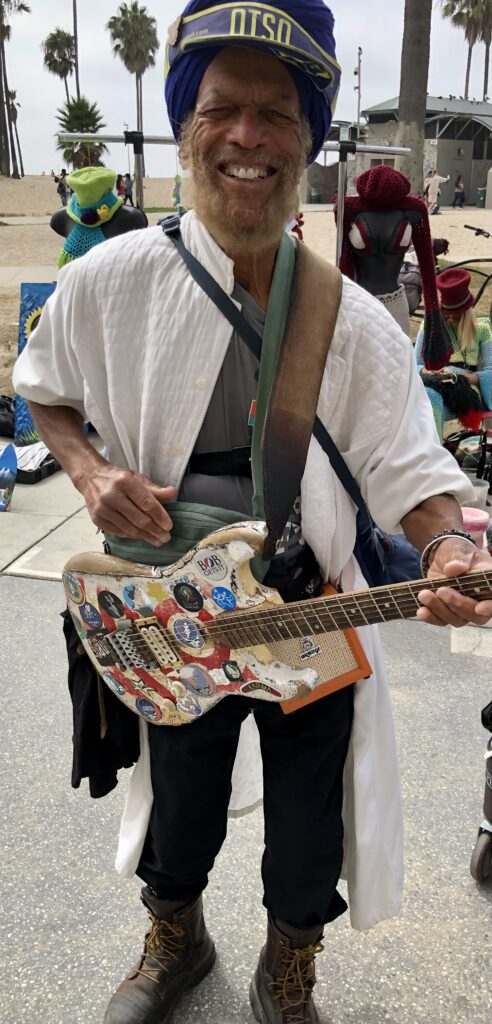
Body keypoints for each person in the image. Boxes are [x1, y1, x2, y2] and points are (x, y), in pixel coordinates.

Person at [12, 3, 492, 1023]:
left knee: (310, 826)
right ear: (188, 126)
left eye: (276, 113)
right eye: (222, 107)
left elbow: (412, 466)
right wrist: (92, 473)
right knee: (179, 802)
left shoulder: (352, 317)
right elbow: (42, 385)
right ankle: (176, 940)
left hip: (306, 615)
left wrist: (448, 542)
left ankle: (290, 968)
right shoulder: (109, 279)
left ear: (307, 140)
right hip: (176, 615)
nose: (247, 136)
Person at [416, 267, 492, 441]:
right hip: (434, 385)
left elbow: (490, 371)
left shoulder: (481, 329)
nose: (450, 319)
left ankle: (433, 455)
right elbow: (415, 365)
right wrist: (428, 372)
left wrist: (463, 379)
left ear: (465, 311)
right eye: (446, 314)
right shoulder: (430, 326)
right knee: (429, 396)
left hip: (466, 390)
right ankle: (433, 452)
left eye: (456, 316)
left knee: (429, 399)